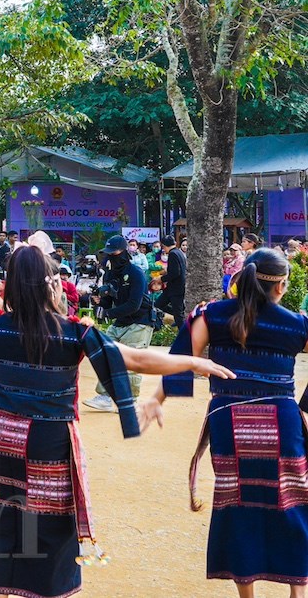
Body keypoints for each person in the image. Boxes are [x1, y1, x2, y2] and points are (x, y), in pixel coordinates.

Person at [0, 244, 235, 598]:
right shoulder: (73, 332)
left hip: (5, 439)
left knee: (9, 521)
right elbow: (136, 360)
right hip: (51, 440)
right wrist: (193, 362)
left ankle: (4, 590)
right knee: (53, 526)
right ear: (50, 285)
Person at [145, 248, 308, 597]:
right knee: (292, 504)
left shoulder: (213, 315)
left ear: (240, 278)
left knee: (238, 506)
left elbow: (183, 357)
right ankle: (298, 594)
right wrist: (304, 409)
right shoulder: (297, 324)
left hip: (230, 424)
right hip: (282, 423)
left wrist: (158, 399)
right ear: (281, 286)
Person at [83, 235, 159, 412]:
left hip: (141, 321)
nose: (111, 256)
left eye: (114, 252)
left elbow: (134, 305)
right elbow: (108, 303)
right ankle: (105, 397)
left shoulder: (136, 272)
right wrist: (100, 302)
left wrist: (108, 313)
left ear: (124, 252)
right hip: (121, 321)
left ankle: (130, 400)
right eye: (108, 253)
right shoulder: (110, 273)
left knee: (132, 361)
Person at [156, 234, 187, 328]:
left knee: (178, 314)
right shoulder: (179, 252)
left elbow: (175, 273)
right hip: (173, 288)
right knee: (158, 304)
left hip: (176, 288)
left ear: (164, 245)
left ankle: (184, 333)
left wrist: (161, 279)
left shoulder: (173, 254)